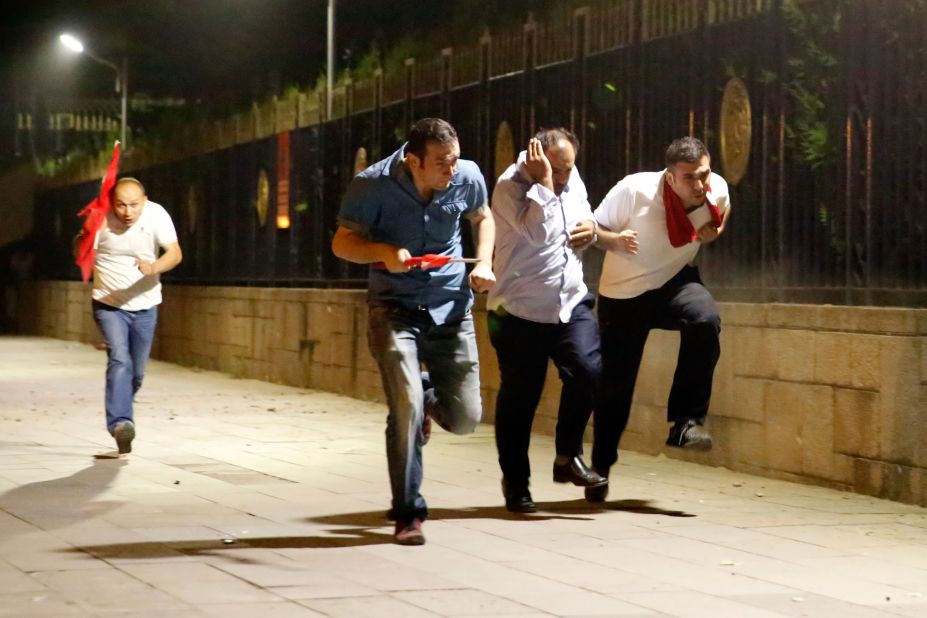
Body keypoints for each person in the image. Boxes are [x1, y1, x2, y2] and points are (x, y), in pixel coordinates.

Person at [331, 118, 495, 545]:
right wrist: (384, 253)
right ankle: (408, 513)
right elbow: (342, 243)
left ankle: (427, 397)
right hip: (394, 307)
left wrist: (485, 261)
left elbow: (484, 217)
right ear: (413, 161)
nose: (451, 170)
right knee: (404, 403)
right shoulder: (372, 186)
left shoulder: (468, 175)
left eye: (455, 160)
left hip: (450, 306)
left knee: (465, 419)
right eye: (441, 162)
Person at [588, 136, 731, 502]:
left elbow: (716, 223)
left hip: (674, 282)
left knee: (705, 320)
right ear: (669, 177)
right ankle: (600, 468)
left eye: (704, 174)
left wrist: (712, 228)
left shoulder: (716, 190)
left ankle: (686, 422)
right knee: (616, 386)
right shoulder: (634, 190)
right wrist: (614, 240)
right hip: (624, 294)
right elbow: (591, 230)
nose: (699, 185)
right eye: (689, 178)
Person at [487, 128, 606, 513]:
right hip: (519, 310)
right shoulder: (510, 187)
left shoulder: (571, 177)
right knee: (521, 399)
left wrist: (592, 230)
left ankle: (567, 456)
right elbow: (539, 234)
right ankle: (516, 484)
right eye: (557, 169)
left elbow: (580, 220)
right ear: (536, 157)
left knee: (588, 371)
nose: (565, 178)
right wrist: (543, 183)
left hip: (570, 304)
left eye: (569, 169)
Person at [74, 177, 182, 455]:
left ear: (144, 201)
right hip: (109, 304)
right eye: (121, 205)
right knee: (120, 358)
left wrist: (154, 266)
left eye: (134, 205)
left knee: (136, 374)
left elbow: (175, 253)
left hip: (146, 305)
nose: (127, 212)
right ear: (112, 202)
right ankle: (121, 423)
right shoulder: (101, 218)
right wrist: (84, 237)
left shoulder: (156, 214)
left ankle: (121, 407)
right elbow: (80, 251)